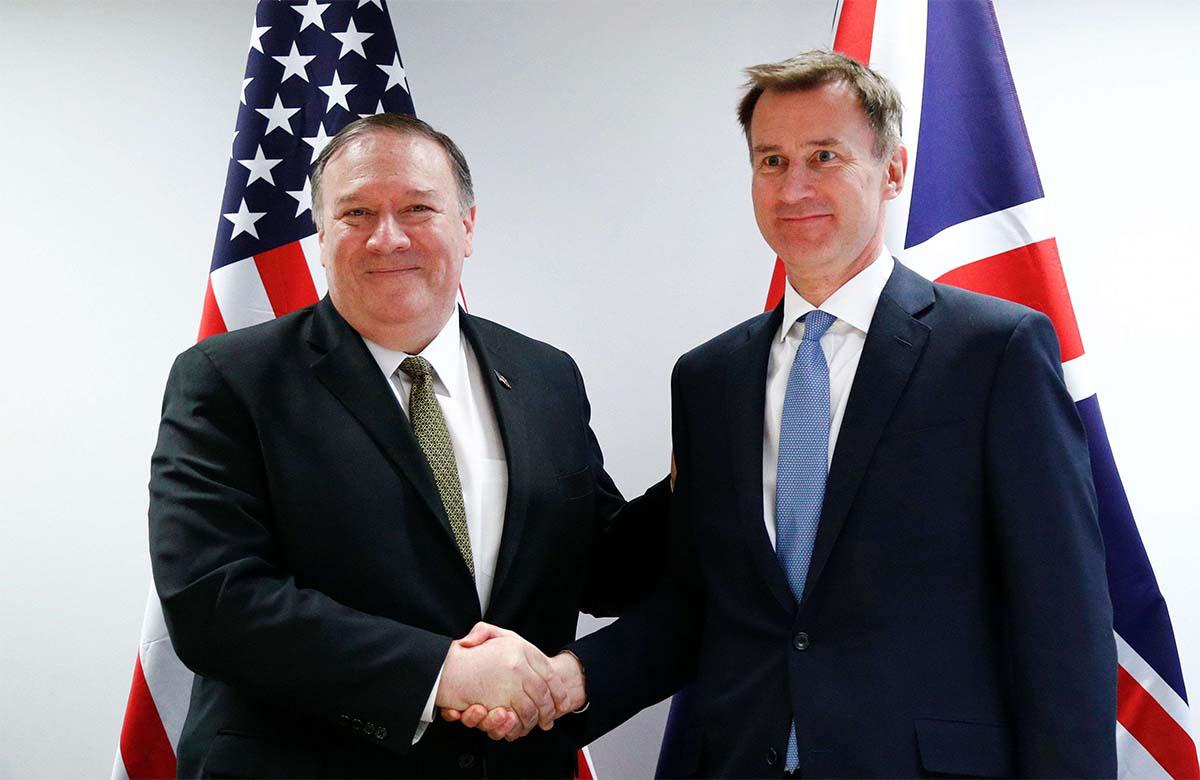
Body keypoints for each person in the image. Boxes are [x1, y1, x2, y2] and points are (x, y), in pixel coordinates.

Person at [452, 50, 1117, 777]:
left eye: (823, 156)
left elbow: (1062, 620)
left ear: (893, 169)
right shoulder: (709, 379)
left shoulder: (995, 353)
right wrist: (569, 681)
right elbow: (701, 601)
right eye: (770, 161)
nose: (793, 186)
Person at [148, 113, 668, 779]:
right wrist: (446, 674)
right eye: (356, 212)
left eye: (418, 208)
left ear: (468, 227)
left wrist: (697, 479)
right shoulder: (231, 380)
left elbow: (603, 569)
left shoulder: (545, 376)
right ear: (321, 233)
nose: (387, 237)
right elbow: (214, 601)